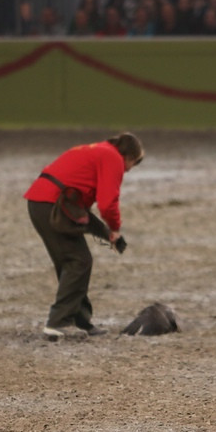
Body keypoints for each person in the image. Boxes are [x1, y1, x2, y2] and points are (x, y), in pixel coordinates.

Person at [24, 133, 145, 341]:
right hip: (53, 205)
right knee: (78, 260)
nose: (129, 169)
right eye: (133, 163)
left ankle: (81, 320)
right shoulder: (113, 158)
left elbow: (80, 210)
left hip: (41, 202)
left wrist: (108, 235)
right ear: (128, 155)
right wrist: (115, 228)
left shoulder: (96, 150)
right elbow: (107, 203)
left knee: (70, 260)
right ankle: (57, 323)